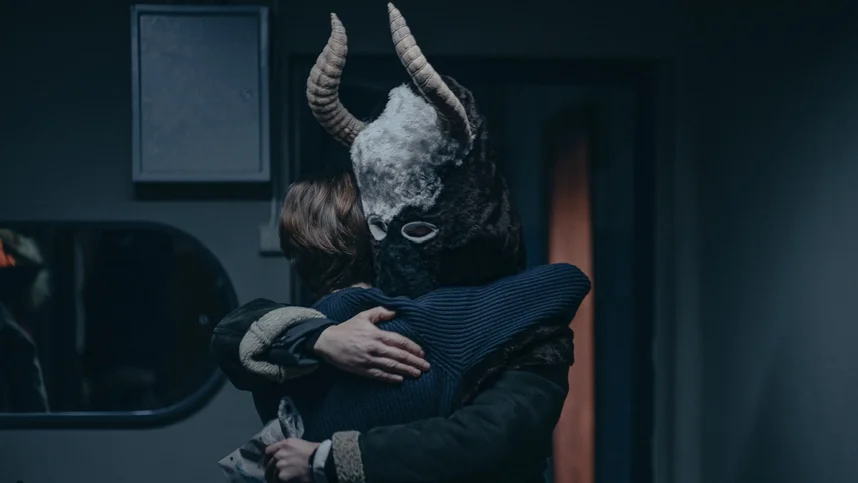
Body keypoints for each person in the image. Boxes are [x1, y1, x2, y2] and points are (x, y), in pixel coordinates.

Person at [211, 4, 591, 483]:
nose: (396, 249)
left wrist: (325, 460)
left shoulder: (525, 324)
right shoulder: (350, 317)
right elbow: (232, 334)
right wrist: (323, 338)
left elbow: (495, 437)